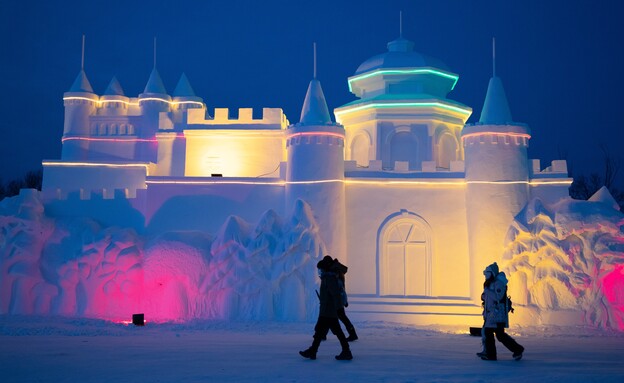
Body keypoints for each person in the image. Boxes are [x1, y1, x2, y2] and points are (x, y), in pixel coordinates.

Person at [299, 256, 353, 361]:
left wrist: (338, 308)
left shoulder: (329, 279)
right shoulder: (327, 278)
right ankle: (313, 351)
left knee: (331, 331)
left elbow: (335, 295)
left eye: (321, 269)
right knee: (322, 331)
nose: (319, 271)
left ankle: (345, 351)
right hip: (326, 310)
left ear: (325, 268)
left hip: (328, 311)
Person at [478, 262, 524, 361]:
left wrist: (487, 292)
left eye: (487, 273)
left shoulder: (499, 283)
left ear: (492, 273)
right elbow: (488, 297)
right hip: (491, 315)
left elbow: (498, 296)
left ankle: (516, 350)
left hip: (497, 315)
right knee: (492, 334)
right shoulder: (490, 283)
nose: (485, 275)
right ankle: (490, 354)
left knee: (498, 335)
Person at [331, 257, 358, 342]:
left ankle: (352, 334)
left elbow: (338, 287)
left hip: (337, 299)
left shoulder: (336, 271)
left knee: (340, 317)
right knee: (337, 317)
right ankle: (352, 334)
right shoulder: (339, 270)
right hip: (339, 299)